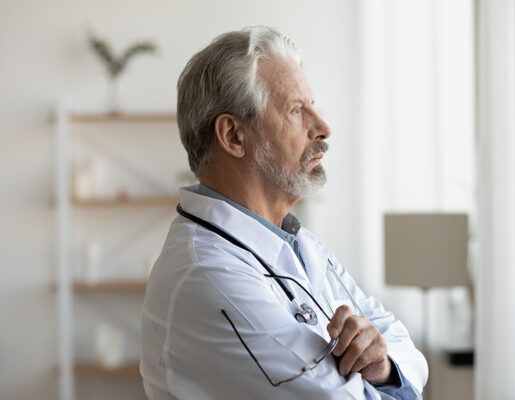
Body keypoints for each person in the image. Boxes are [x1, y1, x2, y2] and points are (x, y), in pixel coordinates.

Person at [140, 26, 428, 399]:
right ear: (233, 136)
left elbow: (406, 350)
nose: (322, 128)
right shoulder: (210, 276)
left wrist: (385, 368)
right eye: (296, 110)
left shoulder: (299, 245)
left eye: (313, 106)